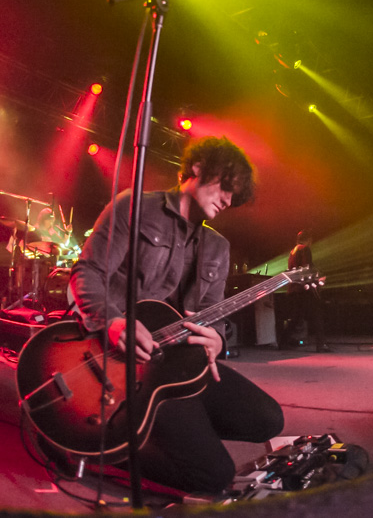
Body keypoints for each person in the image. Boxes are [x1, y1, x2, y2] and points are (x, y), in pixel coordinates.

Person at [69, 136, 283, 495]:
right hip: (122, 362)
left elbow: (209, 315)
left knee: (267, 418)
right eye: (226, 186)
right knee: (214, 477)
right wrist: (113, 320)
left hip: (175, 360)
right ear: (197, 169)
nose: (229, 200)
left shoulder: (217, 247)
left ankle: (163, 427)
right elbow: (86, 272)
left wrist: (218, 339)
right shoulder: (133, 206)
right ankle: (107, 446)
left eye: (235, 196)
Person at [284, 229, 329, 352]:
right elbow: (306, 268)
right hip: (304, 289)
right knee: (317, 315)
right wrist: (317, 278)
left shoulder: (293, 251)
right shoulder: (305, 249)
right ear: (309, 239)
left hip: (294, 289)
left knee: (296, 317)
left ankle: (283, 342)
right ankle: (321, 345)